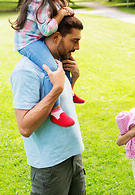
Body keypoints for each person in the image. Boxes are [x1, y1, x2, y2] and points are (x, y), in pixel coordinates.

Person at [11, 15, 86, 195]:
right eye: (74, 41)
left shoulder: (57, 64)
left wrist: (72, 80)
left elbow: (59, 106)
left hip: (73, 156)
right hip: (50, 165)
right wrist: (56, 90)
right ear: (55, 37)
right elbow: (25, 127)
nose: (77, 48)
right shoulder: (25, 71)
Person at [11, 0, 84, 128]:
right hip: (29, 42)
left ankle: (69, 92)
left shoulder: (55, 0)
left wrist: (65, 11)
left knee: (64, 61)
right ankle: (55, 110)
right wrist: (59, 15)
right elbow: (46, 29)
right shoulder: (41, 2)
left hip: (38, 39)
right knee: (51, 68)